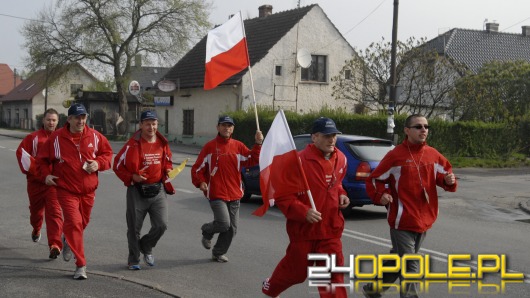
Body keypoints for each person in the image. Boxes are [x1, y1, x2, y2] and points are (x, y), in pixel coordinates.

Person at [363, 114, 457, 298]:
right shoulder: (395, 155)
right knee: (411, 265)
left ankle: (373, 289)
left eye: (426, 126)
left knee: (398, 261)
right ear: (407, 131)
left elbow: (446, 174)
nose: (424, 130)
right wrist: (381, 195)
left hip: (424, 219)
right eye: (418, 126)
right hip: (402, 220)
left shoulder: (432, 154)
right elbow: (375, 179)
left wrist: (448, 180)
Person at [262, 117, 351, 298]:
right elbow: (283, 195)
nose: (331, 139)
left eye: (334, 135)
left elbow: (337, 185)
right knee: (296, 272)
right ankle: (270, 287)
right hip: (304, 231)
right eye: (326, 136)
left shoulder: (341, 159)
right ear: (314, 137)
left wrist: (343, 195)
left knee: (332, 277)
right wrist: (303, 211)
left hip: (330, 230)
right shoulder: (298, 161)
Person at [38, 103, 113, 280]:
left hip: (88, 190)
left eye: (83, 117)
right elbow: (41, 160)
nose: (81, 121)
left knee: (82, 223)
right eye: (77, 117)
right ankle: (81, 265)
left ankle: (67, 239)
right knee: (74, 222)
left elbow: (107, 154)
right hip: (66, 189)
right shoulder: (56, 138)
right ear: (69, 119)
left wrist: (98, 163)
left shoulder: (95, 137)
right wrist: (46, 175)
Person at [191, 116, 263, 263]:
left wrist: (258, 143)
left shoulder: (238, 146)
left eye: (229, 126)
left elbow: (252, 159)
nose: (226, 128)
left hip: (235, 194)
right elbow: (197, 168)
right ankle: (207, 230)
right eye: (223, 125)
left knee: (232, 229)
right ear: (218, 127)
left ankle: (218, 252)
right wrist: (200, 182)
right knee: (224, 223)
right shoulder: (210, 147)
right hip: (216, 193)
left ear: (233, 129)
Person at [113, 110, 175, 270]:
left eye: (154, 124)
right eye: (147, 124)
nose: (151, 127)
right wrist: (132, 177)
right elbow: (117, 164)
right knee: (134, 228)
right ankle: (134, 260)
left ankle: (146, 246)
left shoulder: (163, 143)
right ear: (140, 125)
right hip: (137, 191)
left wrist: (168, 170)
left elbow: (168, 161)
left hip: (158, 189)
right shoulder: (132, 144)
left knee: (162, 225)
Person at [16, 108, 63, 259]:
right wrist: (42, 176)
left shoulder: (61, 138)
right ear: (43, 121)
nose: (51, 122)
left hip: (53, 184)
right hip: (36, 183)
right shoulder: (33, 138)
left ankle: (55, 244)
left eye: (54, 120)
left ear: (58, 122)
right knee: (36, 213)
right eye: (48, 119)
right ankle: (36, 229)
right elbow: (22, 157)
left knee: (55, 213)